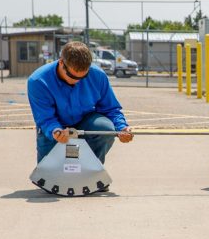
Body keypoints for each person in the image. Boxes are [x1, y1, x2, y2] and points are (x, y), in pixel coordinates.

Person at [27, 41, 133, 176]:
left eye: (83, 76)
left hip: (86, 121)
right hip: (55, 128)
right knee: (48, 177)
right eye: (72, 76)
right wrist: (56, 131)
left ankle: (90, 172)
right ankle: (57, 169)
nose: (77, 81)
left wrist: (121, 128)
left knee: (105, 129)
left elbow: (110, 109)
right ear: (61, 63)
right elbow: (45, 118)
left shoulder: (98, 75)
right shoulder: (38, 81)